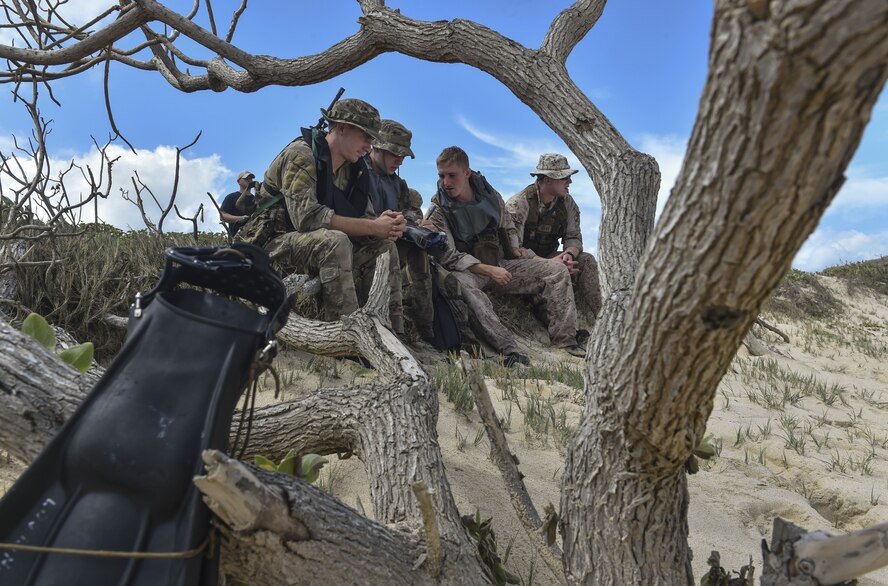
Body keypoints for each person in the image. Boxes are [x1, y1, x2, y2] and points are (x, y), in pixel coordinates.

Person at [236, 98, 406, 334]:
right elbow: (306, 219)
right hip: (273, 247)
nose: (369, 146)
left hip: (310, 247)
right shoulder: (301, 154)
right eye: (366, 137)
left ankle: (390, 334)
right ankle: (345, 335)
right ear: (342, 128)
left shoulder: (354, 170)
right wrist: (372, 226)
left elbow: (366, 220)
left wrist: (386, 225)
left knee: (384, 247)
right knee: (335, 241)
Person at [425, 146, 585, 366]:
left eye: (452, 175)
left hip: (501, 263)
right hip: (470, 271)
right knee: (461, 285)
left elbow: (508, 229)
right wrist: (488, 270)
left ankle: (565, 342)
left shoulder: (490, 197)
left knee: (556, 270)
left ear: (467, 173)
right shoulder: (438, 209)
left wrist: (516, 251)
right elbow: (449, 256)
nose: (446, 182)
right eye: (441, 176)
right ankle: (508, 350)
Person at [506, 153, 602, 321]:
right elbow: (514, 250)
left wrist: (568, 255)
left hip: (552, 258)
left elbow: (574, 237)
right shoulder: (519, 204)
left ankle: (604, 319)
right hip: (523, 264)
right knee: (554, 274)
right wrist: (549, 263)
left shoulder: (567, 202)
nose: (570, 181)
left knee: (586, 260)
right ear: (548, 179)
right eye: (564, 177)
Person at [366, 119, 436, 343]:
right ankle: (394, 331)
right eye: (394, 153)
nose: (400, 160)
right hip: (364, 239)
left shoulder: (398, 183)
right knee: (389, 250)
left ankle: (425, 332)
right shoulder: (358, 172)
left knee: (419, 251)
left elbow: (410, 211)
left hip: (393, 237)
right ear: (377, 147)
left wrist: (413, 223)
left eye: (403, 155)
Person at [220, 170, 257, 236]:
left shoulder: (256, 199)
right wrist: (240, 218)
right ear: (238, 182)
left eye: (251, 178)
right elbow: (222, 216)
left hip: (255, 235)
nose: (249, 180)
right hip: (237, 237)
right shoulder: (231, 197)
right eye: (246, 178)